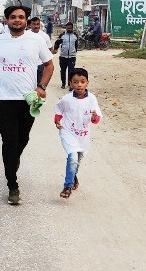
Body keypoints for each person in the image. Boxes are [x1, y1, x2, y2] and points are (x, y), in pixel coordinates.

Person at [0, 5, 54, 205]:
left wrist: (42, 86)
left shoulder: (36, 40)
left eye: (21, 17)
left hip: (28, 100)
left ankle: (12, 164)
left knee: (22, 139)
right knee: (9, 142)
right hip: (4, 100)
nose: (17, 20)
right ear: (6, 20)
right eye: (13, 17)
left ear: (26, 20)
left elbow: (49, 65)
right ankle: (12, 184)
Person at [54, 68, 102, 199]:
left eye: (82, 82)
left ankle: (73, 176)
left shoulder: (92, 99)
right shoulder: (67, 99)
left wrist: (93, 117)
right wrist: (57, 121)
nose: (79, 85)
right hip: (68, 132)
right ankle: (67, 186)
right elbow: (58, 110)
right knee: (73, 157)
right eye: (75, 82)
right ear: (70, 83)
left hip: (83, 136)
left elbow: (97, 118)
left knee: (77, 161)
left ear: (87, 83)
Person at [52, 22, 78, 90]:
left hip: (72, 57)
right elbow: (57, 43)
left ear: (72, 28)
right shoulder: (62, 35)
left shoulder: (75, 35)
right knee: (63, 71)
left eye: (70, 28)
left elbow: (76, 45)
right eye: (68, 28)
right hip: (63, 57)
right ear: (66, 28)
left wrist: (75, 52)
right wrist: (55, 49)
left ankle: (70, 85)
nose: (69, 29)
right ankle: (63, 84)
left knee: (71, 72)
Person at [28, 18, 54, 84]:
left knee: (39, 84)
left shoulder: (45, 36)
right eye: (34, 24)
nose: (36, 26)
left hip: (40, 65)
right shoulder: (25, 35)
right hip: (28, 64)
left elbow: (50, 49)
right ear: (30, 25)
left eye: (37, 24)